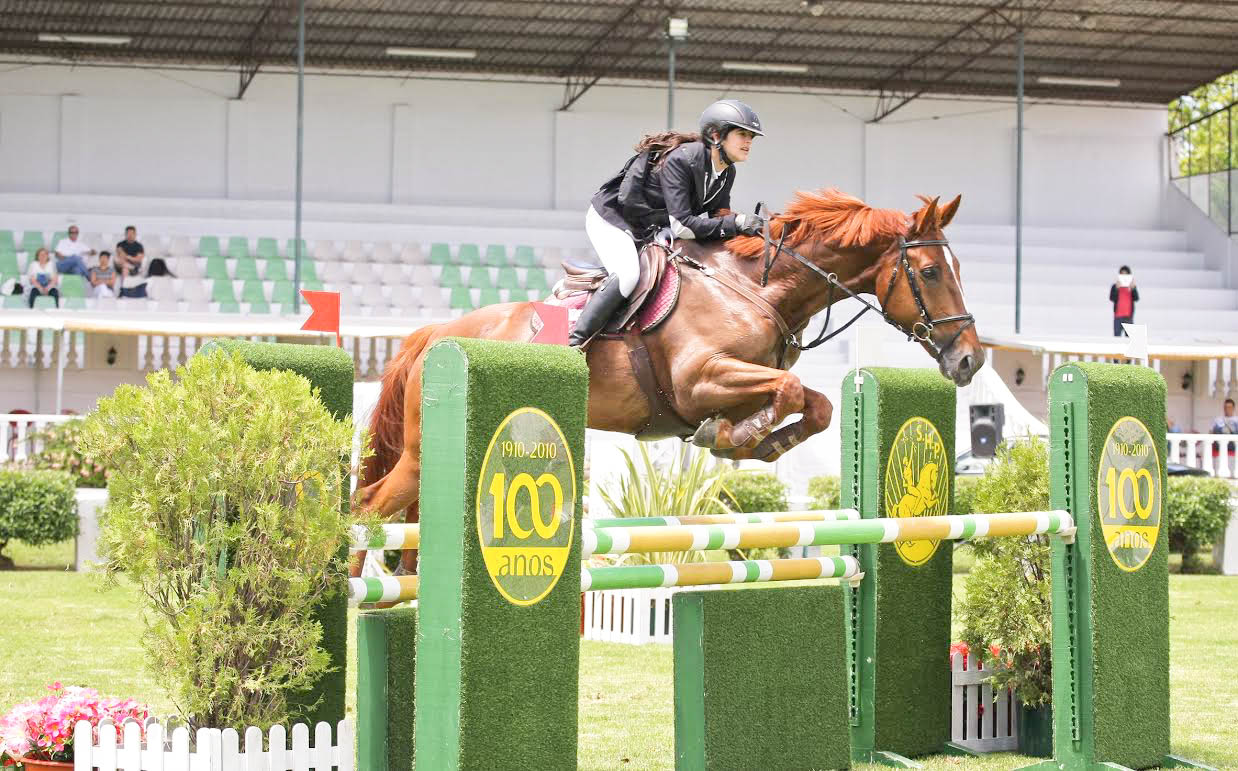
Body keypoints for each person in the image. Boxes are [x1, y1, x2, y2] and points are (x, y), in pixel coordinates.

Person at [570, 99, 766, 346]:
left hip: (651, 227)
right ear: (716, 135)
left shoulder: (727, 171)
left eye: (751, 136)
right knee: (628, 275)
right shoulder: (683, 159)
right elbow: (682, 226)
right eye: (742, 134)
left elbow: (719, 216)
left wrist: (754, 229)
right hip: (613, 220)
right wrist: (736, 222)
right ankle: (574, 344)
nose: (748, 141)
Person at [1108, 265, 1139, 337]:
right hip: (1118, 316)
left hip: (1128, 316)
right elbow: (1112, 298)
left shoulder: (1132, 286)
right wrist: (1116, 288)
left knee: (1129, 338)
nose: (1124, 276)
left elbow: (1136, 298)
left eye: (1126, 274)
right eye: (1122, 274)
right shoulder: (1115, 286)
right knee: (1117, 337)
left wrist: (1133, 289)